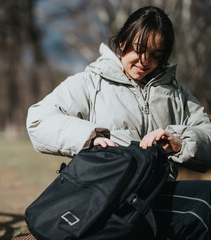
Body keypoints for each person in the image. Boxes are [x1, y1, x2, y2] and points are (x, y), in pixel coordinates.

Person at [26, 6, 211, 239]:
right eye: (139, 50)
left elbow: (208, 134)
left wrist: (180, 142)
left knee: (205, 204)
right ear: (123, 42)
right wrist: (90, 137)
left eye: (156, 54)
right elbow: (38, 120)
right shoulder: (90, 83)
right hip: (103, 193)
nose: (145, 61)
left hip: (155, 194)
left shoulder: (178, 95)